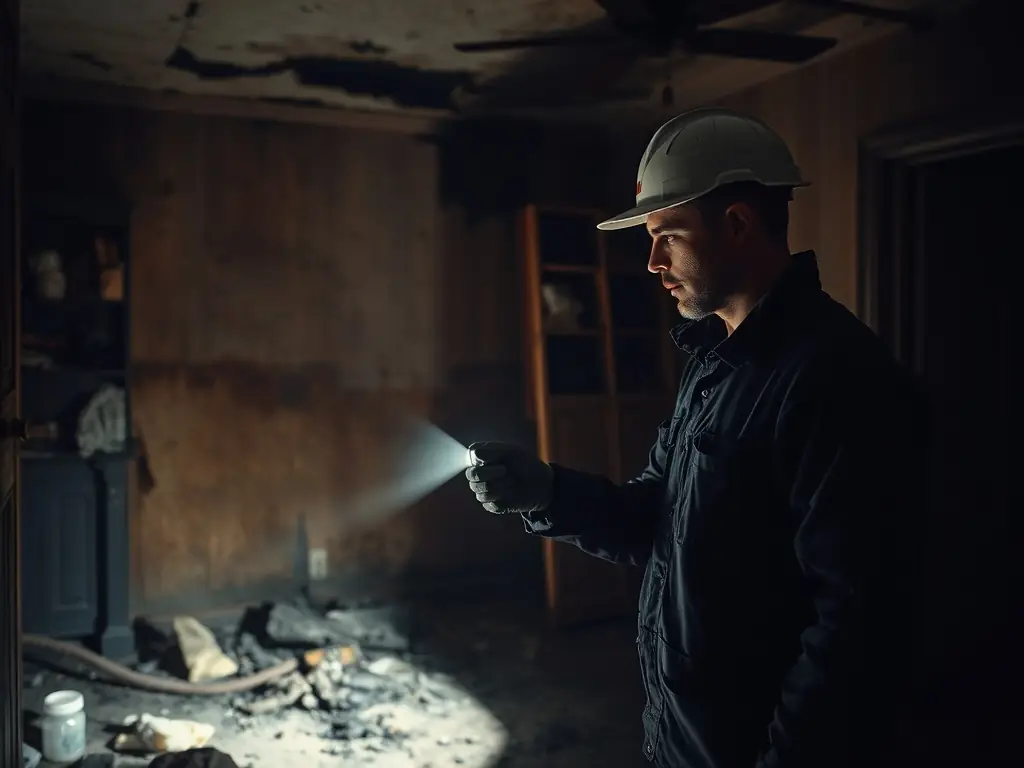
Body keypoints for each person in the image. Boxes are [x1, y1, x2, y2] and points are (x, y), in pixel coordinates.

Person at [464, 108, 929, 768]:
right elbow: (659, 516)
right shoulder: (715, 363)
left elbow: (856, 630)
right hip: (686, 739)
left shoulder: (838, 379)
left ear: (737, 224)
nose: (652, 263)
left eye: (668, 236)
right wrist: (547, 492)